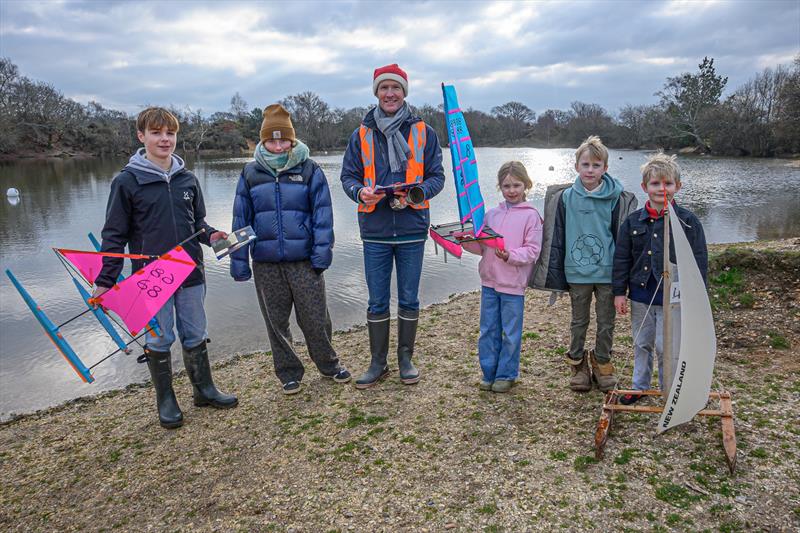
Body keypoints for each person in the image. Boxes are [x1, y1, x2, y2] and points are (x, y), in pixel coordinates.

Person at [93, 107, 237, 429]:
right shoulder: (127, 182)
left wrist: (212, 235)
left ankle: (204, 390)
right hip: (150, 278)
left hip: (190, 272)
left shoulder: (188, 179)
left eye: (170, 133)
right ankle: (166, 399)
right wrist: (105, 280)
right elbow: (114, 235)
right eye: (156, 133)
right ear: (141, 136)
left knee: (195, 333)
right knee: (159, 339)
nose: (164, 139)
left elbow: (196, 223)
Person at [231, 104, 349, 395]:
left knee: (315, 317)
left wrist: (323, 253)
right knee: (276, 322)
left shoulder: (310, 170)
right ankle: (288, 372)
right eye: (272, 140)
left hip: (305, 261)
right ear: (263, 141)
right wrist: (238, 261)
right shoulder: (250, 173)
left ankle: (329, 364)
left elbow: (323, 215)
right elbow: (239, 219)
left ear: (292, 140)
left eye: (284, 139)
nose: (279, 145)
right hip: (266, 263)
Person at [340, 63, 445, 389]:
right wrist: (361, 192)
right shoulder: (361, 134)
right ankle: (377, 362)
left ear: (404, 92)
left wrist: (416, 193)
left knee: (410, 298)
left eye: (395, 88)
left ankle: (405, 359)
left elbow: (437, 177)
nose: (390, 93)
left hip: (412, 227)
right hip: (376, 229)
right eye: (384, 88)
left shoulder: (424, 132)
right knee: (377, 301)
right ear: (376, 93)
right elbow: (347, 177)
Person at [528, 136, 637, 392]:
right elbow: (556, 234)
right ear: (576, 166)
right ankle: (577, 364)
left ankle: (602, 363)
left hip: (608, 272)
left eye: (596, 165)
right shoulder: (565, 197)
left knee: (606, 321)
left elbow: (622, 238)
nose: (590, 170)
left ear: (605, 169)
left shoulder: (618, 198)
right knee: (579, 321)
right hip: (576, 271)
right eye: (585, 164)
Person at [612, 152, 707, 404]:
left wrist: (698, 297)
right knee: (641, 342)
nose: (661, 189)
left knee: (668, 346)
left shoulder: (689, 222)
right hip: (641, 295)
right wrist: (619, 292)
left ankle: (670, 390)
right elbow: (622, 259)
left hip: (673, 297)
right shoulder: (632, 221)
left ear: (678, 186)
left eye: (668, 183)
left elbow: (699, 261)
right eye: (655, 183)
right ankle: (638, 385)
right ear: (644, 187)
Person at [462, 162, 542, 393]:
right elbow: (483, 248)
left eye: (517, 185)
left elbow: (532, 250)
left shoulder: (532, 216)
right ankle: (488, 373)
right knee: (488, 329)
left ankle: (507, 374)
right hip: (489, 282)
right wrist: (466, 241)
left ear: (526, 185)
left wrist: (510, 256)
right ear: (500, 187)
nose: (512, 190)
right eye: (506, 185)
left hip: (513, 285)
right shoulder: (490, 215)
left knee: (510, 332)